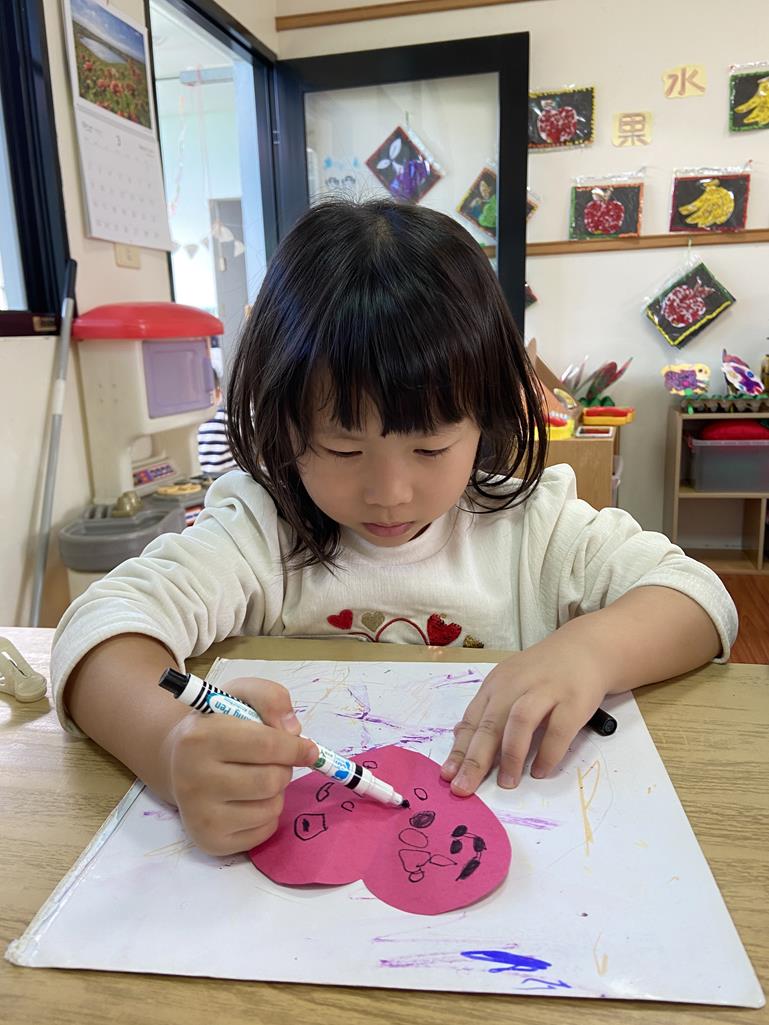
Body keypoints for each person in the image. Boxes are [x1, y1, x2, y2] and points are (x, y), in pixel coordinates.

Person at [51, 198, 737, 857]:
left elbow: (699, 598)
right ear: (284, 424)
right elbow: (98, 630)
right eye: (342, 449)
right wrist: (169, 746)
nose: (389, 492)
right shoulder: (260, 530)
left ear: (485, 419)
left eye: (430, 448)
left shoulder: (533, 525)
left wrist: (591, 651)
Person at [197, 368, 237, 475]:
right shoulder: (227, 417)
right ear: (219, 394)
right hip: (226, 478)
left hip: (218, 478)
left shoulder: (226, 418)